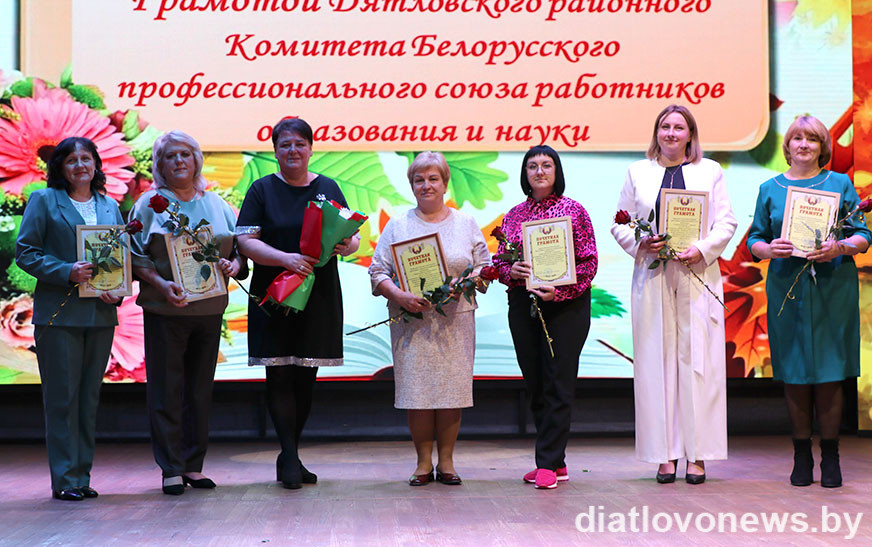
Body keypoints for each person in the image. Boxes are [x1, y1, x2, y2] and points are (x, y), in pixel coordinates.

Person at [611, 104, 737, 485]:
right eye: (664, 126)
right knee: (656, 363)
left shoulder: (710, 171)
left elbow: (726, 221)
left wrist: (703, 248)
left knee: (699, 362)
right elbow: (619, 223)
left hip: (696, 272)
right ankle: (664, 454)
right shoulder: (638, 172)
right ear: (657, 133)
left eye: (679, 127)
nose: (670, 133)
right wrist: (640, 244)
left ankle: (697, 456)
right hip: (654, 277)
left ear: (690, 135)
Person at [236, 118, 359, 489]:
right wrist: (284, 258)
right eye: (285, 145)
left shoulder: (328, 187)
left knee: (306, 375)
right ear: (275, 151)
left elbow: (351, 236)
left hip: (318, 293)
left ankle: (290, 453)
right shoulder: (261, 189)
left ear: (310, 148)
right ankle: (289, 456)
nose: (293, 151)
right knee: (279, 373)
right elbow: (245, 241)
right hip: (273, 293)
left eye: (299, 144)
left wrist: (346, 245)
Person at [747, 115, 870, 488]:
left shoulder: (840, 183)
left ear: (822, 147)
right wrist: (770, 248)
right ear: (787, 146)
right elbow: (754, 240)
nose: (803, 145)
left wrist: (840, 247)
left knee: (830, 374)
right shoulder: (770, 188)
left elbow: (863, 235)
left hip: (833, 287)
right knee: (796, 373)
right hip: (788, 287)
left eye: (812, 139)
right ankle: (801, 456)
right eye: (797, 138)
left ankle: (831, 457)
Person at [130, 130, 246, 495]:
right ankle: (171, 467)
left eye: (185, 154)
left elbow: (239, 252)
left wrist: (233, 266)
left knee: (199, 391)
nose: (179, 161)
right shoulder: (148, 204)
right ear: (159, 165)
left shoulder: (217, 203)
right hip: (166, 311)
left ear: (197, 160)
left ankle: (194, 465)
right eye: (170, 156)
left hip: (209, 311)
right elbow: (134, 256)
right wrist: (161, 284)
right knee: (166, 391)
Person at [368, 152, 490, 486]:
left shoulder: (466, 223)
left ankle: (447, 463)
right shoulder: (398, 225)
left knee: (452, 393)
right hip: (412, 323)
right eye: (419, 180)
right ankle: (423, 464)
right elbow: (378, 271)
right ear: (411, 185)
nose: (426, 185)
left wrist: (466, 284)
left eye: (433, 178)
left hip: (455, 322)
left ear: (445, 183)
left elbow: (485, 267)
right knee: (418, 393)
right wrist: (399, 295)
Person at [16, 137, 124, 501]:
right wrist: (66, 271)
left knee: (88, 400)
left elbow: (120, 258)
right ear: (60, 167)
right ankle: (64, 479)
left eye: (86, 158)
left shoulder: (110, 205)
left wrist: (118, 289)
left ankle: (81, 476)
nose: (80, 165)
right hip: (59, 316)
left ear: (96, 165)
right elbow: (26, 252)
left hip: (101, 314)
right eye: (72, 160)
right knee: (62, 400)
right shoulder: (44, 200)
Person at [493, 145, 598, 490]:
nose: (539, 171)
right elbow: (500, 263)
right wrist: (511, 270)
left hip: (566, 306)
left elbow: (588, 262)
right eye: (532, 166)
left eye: (546, 165)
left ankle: (547, 462)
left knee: (557, 382)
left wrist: (562, 293)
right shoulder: (513, 215)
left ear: (557, 171)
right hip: (524, 304)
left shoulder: (574, 211)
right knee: (535, 382)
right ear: (525, 173)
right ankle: (556, 461)